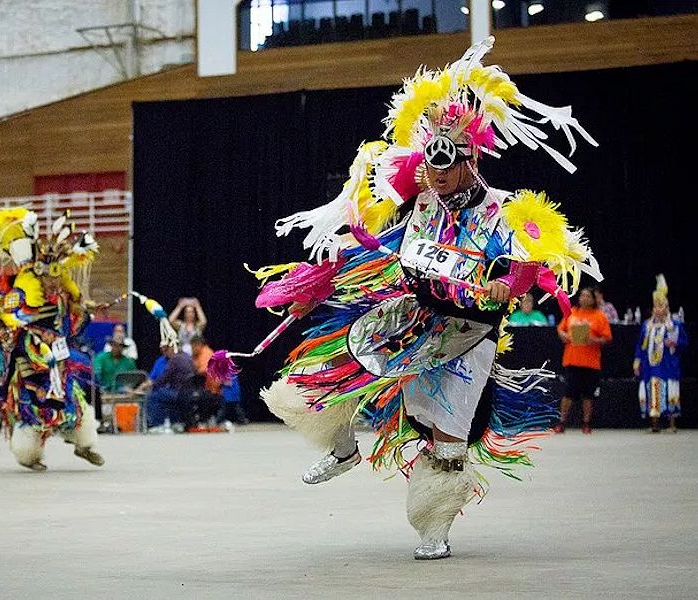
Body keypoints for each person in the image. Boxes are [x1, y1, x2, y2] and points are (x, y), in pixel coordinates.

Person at [224, 37, 600, 560]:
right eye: (432, 160)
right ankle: (343, 446)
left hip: (468, 331)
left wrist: (505, 285)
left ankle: (434, 526)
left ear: (470, 159)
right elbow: (386, 244)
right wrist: (332, 272)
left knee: (446, 429)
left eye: (448, 161)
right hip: (413, 310)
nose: (438, 171)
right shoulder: (423, 198)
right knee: (335, 360)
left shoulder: (500, 212)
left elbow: (529, 264)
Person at [0, 209, 104, 470]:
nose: (51, 283)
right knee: (33, 404)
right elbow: (8, 316)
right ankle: (30, 454)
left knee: (72, 398)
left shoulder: (61, 290)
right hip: (28, 354)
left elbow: (74, 321)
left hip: (57, 353)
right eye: (47, 278)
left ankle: (84, 443)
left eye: (55, 277)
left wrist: (83, 309)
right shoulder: (19, 290)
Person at [635, 275, 688, 433]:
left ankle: (671, 423)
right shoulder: (647, 326)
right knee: (653, 390)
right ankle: (654, 423)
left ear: (667, 308)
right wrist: (637, 361)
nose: (659, 309)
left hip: (668, 365)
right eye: (656, 306)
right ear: (652, 309)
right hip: (650, 366)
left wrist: (675, 343)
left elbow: (685, 343)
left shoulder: (675, 325)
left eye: (662, 306)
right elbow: (640, 345)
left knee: (670, 390)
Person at [556, 287, 612, 434]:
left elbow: (607, 338)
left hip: (591, 362)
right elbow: (561, 329)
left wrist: (594, 340)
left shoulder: (599, 316)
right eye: (582, 295)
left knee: (588, 394)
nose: (584, 298)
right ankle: (562, 422)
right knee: (568, 393)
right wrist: (564, 335)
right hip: (572, 359)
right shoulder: (571, 312)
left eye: (588, 296)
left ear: (594, 299)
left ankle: (586, 423)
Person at [144, 341, 195, 432]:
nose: (165, 352)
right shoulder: (188, 357)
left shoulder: (175, 359)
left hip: (179, 393)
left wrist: (152, 384)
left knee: (154, 396)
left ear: (172, 348)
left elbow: (164, 378)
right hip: (189, 392)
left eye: (167, 349)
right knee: (166, 394)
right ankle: (176, 422)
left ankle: (156, 425)